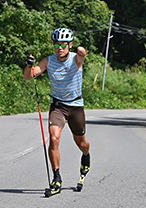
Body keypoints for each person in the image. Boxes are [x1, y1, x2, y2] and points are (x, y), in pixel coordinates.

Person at [23, 28, 90, 195]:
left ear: (70, 45)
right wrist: (29, 65)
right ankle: (57, 178)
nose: (59, 48)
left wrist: (81, 51)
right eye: (56, 45)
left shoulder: (75, 59)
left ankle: (87, 155)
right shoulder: (49, 61)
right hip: (58, 106)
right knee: (53, 139)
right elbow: (28, 76)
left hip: (75, 106)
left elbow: (81, 55)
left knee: (82, 144)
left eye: (63, 44)